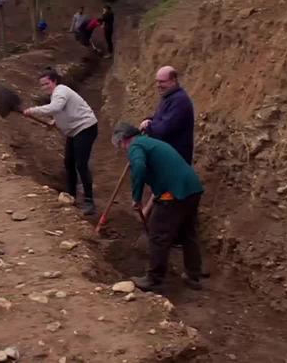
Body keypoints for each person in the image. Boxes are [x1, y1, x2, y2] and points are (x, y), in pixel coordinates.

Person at [112, 122, 204, 293]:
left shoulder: (136, 145)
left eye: (120, 145)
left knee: (158, 234)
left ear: (124, 140)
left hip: (175, 193)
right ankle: (193, 274)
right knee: (188, 233)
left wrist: (136, 197)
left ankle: (154, 279)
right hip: (192, 188)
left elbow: (138, 167)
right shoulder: (150, 142)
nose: (123, 149)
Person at [24, 69, 99, 215]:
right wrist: (55, 121)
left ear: (54, 81)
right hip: (73, 131)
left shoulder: (60, 91)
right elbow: (62, 110)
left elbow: (56, 107)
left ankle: (89, 202)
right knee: (69, 163)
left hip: (85, 128)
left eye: (46, 83)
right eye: (42, 85)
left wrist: (32, 110)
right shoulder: (57, 94)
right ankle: (71, 195)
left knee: (80, 164)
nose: (44, 87)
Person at [140, 66, 194, 165]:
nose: (158, 85)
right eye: (157, 81)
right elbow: (160, 119)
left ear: (173, 80)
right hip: (169, 156)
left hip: (177, 159)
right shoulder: (169, 98)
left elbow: (164, 129)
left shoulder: (180, 101)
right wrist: (148, 120)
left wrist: (148, 127)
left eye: (161, 82)